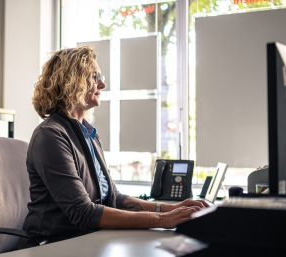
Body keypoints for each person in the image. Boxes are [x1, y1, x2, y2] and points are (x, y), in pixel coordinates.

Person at [18, 45, 209, 249]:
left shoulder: (87, 134)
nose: (102, 84)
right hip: (53, 246)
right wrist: (163, 220)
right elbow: (83, 212)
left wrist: (167, 209)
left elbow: (114, 198)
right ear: (71, 81)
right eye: (95, 76)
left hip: (86, 240)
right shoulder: (51, 135)